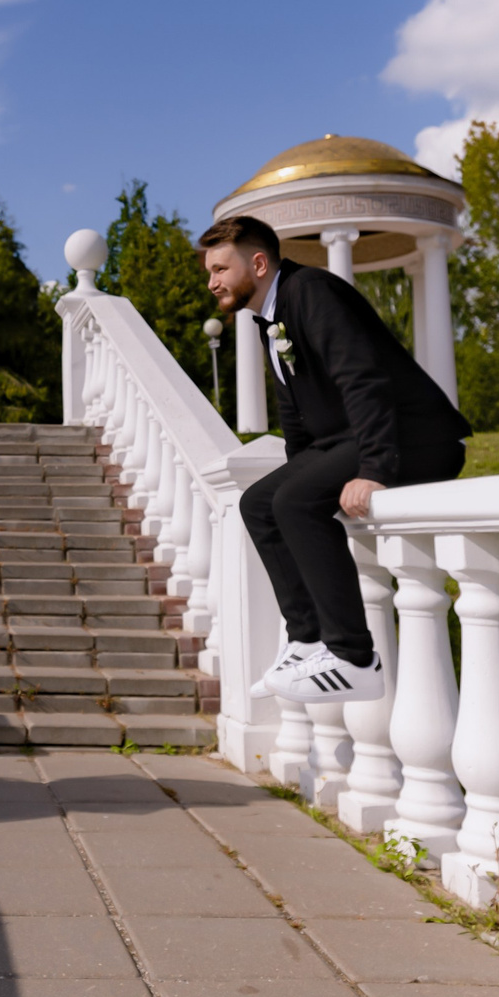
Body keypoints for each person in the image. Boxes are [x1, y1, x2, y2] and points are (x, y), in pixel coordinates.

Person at [198, 214, 470, 703]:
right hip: (344, 439)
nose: (212, 282)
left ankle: (354, 657)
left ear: (258, 263)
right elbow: (295, 415)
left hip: (418, 437)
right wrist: (302, 469)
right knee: (261, 502)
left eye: (220, 269)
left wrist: (375, 470)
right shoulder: (271, 320)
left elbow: (362, 379)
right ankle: (306, 639)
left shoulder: (312, 292)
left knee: (296, 503)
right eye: (210, 272)